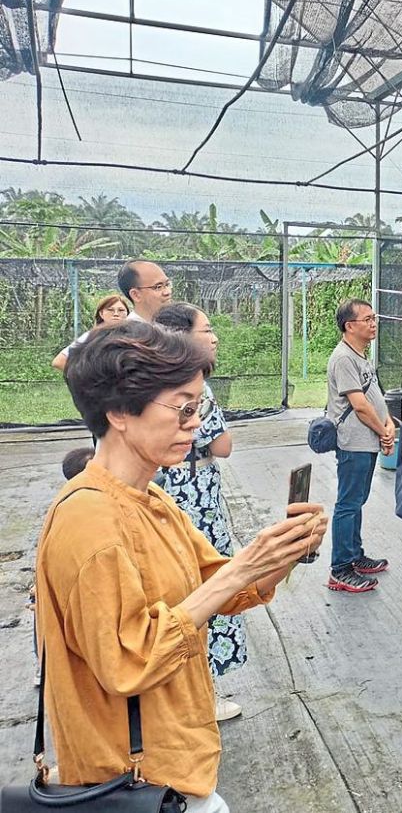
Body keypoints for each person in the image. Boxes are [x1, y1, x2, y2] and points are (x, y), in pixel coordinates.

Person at [36, 320, 326, 811]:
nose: (195, 423)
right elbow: (128, 662)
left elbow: (218, 585)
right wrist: (240, 571)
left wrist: (280, 555)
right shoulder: (90, 522)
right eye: (183, 408)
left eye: (199, 407)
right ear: (119, 413)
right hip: (132, 781)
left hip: (178, 766)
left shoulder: (149, 497)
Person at [154, 302, 247, 722]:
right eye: (206, 330)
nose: (213, 338)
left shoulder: (147, 381)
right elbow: (223, 445)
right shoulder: (196, 388)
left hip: (164, 488)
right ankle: (202, 695)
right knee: (207, 584)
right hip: (195, 494)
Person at [324, 298, 394, 593]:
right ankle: (340, 569)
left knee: (357, 501)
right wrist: (383, 432)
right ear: (349, 326)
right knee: (348, 503)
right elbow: (360, 406)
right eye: (367, 319)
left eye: (374, 318)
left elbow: (375, 396)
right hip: (353, 442)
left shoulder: (361, 356)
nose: (373, 323)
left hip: (368, 441)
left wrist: (388, 425)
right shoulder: (343, 359)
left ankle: (354, 555)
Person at [51, 294, 131, 372]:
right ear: (101, 314)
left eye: (121, 310)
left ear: (127, 314)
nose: (116, 314)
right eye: (110, 310)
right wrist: (85, 378)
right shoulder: (91, 337)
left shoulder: (134, 336)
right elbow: (59, 361)